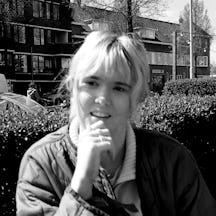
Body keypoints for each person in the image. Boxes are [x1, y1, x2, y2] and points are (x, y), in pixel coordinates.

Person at [16, 31, 216, 216]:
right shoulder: (40, 165)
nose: (103, 98)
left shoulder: (172, 160)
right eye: (92, 83)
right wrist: (81, 185)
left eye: (119, 88)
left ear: (135, 99)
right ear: (73, 87)